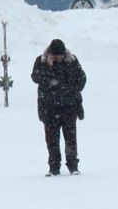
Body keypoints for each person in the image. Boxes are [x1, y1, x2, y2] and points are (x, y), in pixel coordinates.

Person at [32, 38, 86, 175]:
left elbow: (82, 78)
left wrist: (71, 90)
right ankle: (54, 167)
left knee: (71, 139)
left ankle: (73, 166)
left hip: (69, 108)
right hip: (49, 108)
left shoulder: (72, 61)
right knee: (51, 140)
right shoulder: (42, 61)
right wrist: (47, 69)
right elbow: (35, 78)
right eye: (56, 55)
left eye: (60, 55)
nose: (58, 58)